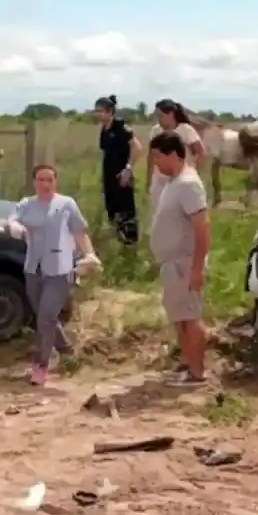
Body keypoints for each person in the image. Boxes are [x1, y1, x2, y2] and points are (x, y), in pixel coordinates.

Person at [3, 164, 101, 386]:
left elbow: (79, 232)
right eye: (40, 180)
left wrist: (90, 255)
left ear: (56, 182)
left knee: (45, 318)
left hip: (60, 268)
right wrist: (13, 226)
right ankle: (66, 350)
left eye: (49, 180)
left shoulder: (66, 204)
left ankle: (41, 366)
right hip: (33, 268)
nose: (45, 184)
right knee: (44, 315)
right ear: (34, 182)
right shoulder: (26, 204)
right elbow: (11, 220)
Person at [149, 130, 211, 386]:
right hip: (172, 264)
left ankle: (197, 373)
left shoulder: (188, 184)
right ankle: (187, 364)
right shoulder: (173, 182)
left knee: (190, 317)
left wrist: (197, 268)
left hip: (184, 262)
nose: (155, 163)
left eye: (158, 157)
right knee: (180, 318)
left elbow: (202, 226)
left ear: (173, 154)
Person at [95, 94, 141, 244]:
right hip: (109, 176)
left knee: (126, 211)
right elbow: (106, 153)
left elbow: (137, 147)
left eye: (101, 111)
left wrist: (128, 169)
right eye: (97, 111)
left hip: (122, 177)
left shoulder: (122, 128)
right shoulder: (104, 130)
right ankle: (120, 242)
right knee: (113, 211)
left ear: (110, 112)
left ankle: (131, 244)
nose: (98, 114)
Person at [146, 99, 206, 206]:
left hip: (181, 179)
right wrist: (149, 180)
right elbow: (151, 157)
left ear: (171, 114)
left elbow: (200, 152)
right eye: (157, 116)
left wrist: (195, 173)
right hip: (160, 181)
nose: (158, 120)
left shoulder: (186, 130)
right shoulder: (155, 131)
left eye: (161, 116)